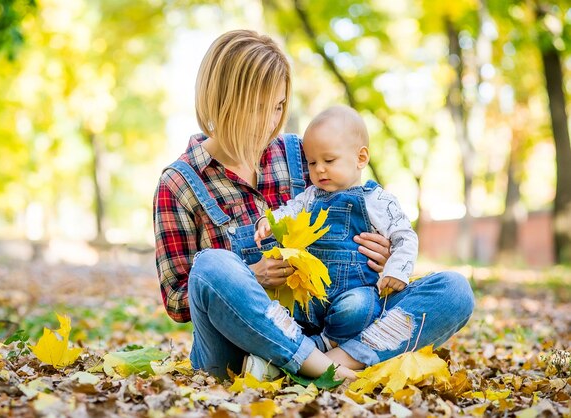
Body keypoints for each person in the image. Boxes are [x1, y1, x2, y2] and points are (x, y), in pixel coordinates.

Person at [153, 29, 474, 382]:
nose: (271, 121)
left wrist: (380, 257)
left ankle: (326, 363)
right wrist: (253, 277)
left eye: (277, 106)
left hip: (332, 324)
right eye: (259, 108)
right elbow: (178, 302)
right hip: (237, 352)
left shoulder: (302, 154)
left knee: (454, 291)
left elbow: (353, 216)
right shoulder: (180, 184)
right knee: (212, 265)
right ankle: (325, 368)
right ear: (222, 100)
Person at [254, 105, 418, 353]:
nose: (319, 169)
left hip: (353, 290)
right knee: (280, 305)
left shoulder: (378, 201)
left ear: (361, 158)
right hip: (310, 290)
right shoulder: (310, 196)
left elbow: (405, 237)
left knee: (361, 307)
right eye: (312, 162)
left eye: (329, 160)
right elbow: (289, 210)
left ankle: (324, 345)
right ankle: (295, 342)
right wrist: (269, 221)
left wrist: (395, 270)